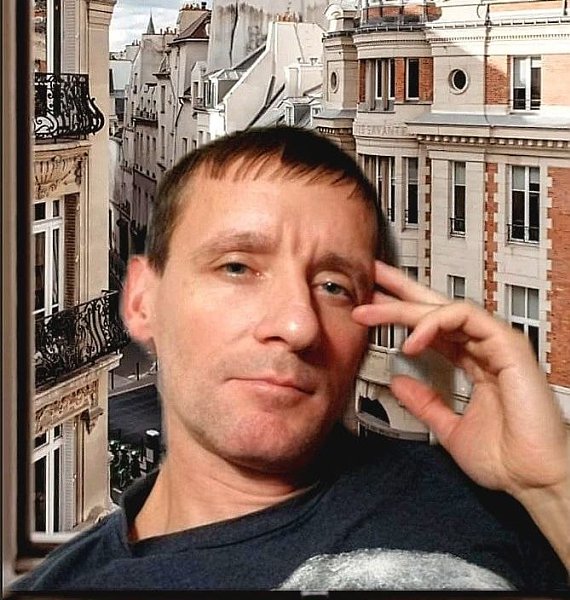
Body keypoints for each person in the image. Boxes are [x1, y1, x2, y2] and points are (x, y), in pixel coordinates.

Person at [12, 126, 569, 592]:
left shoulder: (504, 504)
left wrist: (549, 484)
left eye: (333, 286)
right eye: (237, 267)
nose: (299, 325)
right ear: (142, 301)